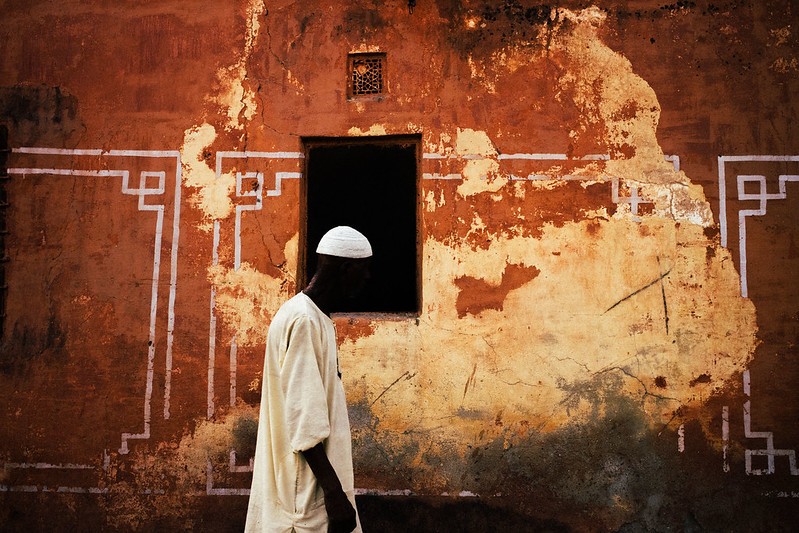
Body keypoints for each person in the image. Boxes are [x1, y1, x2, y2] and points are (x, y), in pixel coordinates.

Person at [245, 226, 371, 533]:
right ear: (346, 268)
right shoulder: (303, 320)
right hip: (303, 495)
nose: (367, 279)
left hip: (304, 489)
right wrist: (334, 495)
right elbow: (305, 420)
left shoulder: (314, 317)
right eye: (364, 271)